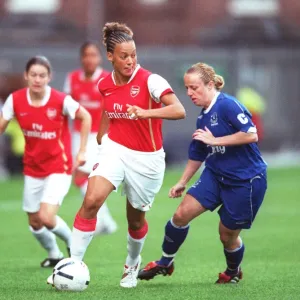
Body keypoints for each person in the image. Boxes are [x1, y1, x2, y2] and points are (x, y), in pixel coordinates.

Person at [58, 22, 186, 288]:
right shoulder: (105, 83)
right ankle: (73, 264)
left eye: (133, 55)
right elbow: (108, 108)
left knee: (135, 219)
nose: (130, 61)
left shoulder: (151, 80)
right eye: (124, 56)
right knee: (91, 200)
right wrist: (101, 136)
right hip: (115, 150)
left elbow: (178, 110)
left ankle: (132, 262)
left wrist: (147, 112)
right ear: (110, 56)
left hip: (147, 160)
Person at [138, 62, 268, 284]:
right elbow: (198, 153)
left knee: (227, 236)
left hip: (246, 181)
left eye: (194, 88)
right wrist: (182, 181)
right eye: (187, 88)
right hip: (216, 175)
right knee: (180, 215)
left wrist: (215, 140)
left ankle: (233, 271)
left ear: (209, 85)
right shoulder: (202, 116)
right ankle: (165, 263)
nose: (189, 93)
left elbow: (251, 134)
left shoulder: (228, 105)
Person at [0, 56, 92, 267]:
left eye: (42, 75)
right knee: (34, 222)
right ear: (26, 76)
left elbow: (85, 116)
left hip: (59, 166)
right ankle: (54, 254)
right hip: (32, 168)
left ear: (49, 77)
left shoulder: (60, 100)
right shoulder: (15, 100)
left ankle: (73, 247)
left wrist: (82, 151)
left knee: (47, 217)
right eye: (33, 75)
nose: (37, 79)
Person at [64, 42, 117, 235]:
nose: (90, 59)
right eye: (86, 55)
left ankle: (103, 221)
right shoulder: (72, 79)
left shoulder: (106, 79)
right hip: (79, 135)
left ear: (100, 58)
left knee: (88, 178)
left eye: (94, 55)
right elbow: (67, 108)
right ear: (81, 58)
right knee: (81, 178)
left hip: (101, 136)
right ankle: (105, 221)